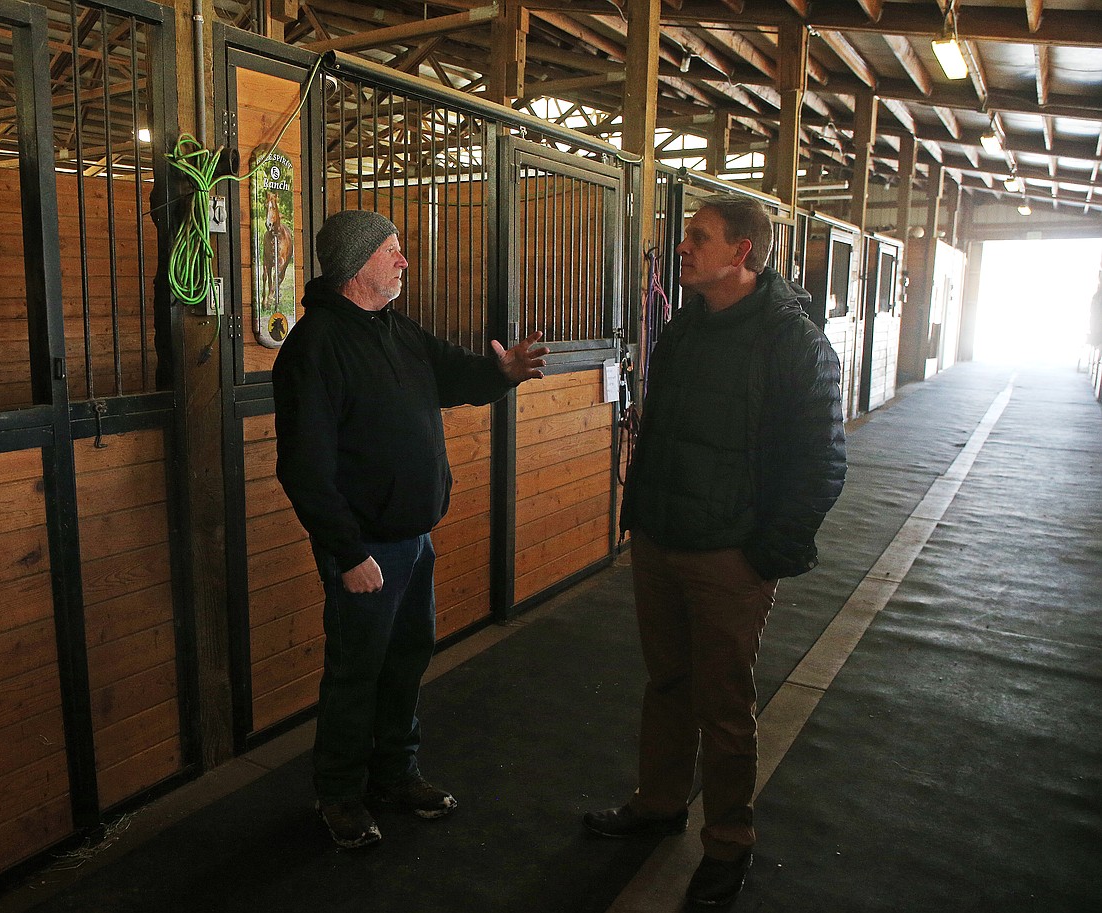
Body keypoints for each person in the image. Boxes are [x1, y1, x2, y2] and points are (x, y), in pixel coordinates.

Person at [584, 194, 846, 908]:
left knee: (725, 705)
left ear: (742, 253)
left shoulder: (794, 343)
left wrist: (764, 556)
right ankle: (660, 802)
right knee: (666, 683)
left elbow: (822, 463)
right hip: (663, 543)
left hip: (729, 557)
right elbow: (659, 430)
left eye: (698, 237)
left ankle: (728, 842)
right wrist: (640, 517)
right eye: (685, 235)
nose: (682, 246)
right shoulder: (684, 329)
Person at [273, 209, 549, 850]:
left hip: (413, 542)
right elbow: (305, 468)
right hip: (365, 550)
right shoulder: (315, 348)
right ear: (357, 263)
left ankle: (395, 774)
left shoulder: (396, 331)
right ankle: (339, 795)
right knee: (355, 673)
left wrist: (500, 375)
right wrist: (347, 552)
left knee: (404, 663)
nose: (403, 262)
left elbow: (454, 374)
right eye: (392, 251)